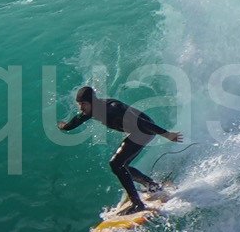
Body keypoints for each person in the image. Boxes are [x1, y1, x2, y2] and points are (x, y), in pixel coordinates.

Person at [59, 85, 183, 218]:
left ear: (92, 102)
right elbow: (78, 119)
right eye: (79, 104)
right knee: (121, 165)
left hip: (144, 130)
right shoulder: (92, 110)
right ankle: (152, 186)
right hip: (137, 131)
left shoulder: (113, 108)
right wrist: (65, 126)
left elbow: (142, 123)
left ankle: (137, 204)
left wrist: (167, 134)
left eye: (83, 104)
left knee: (116, 164)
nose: (80, 108)